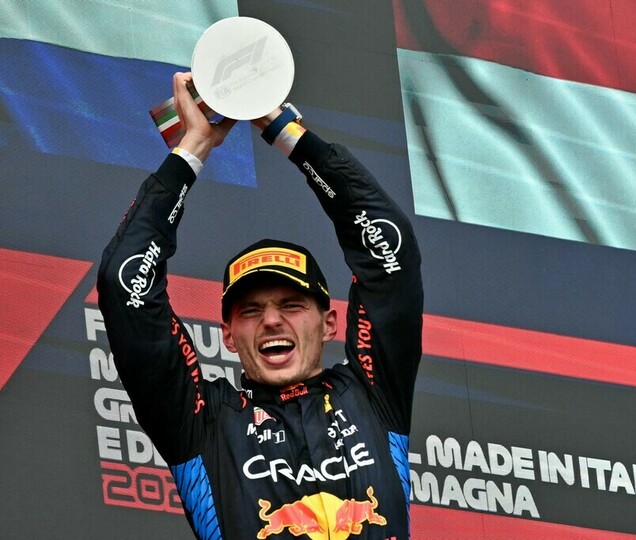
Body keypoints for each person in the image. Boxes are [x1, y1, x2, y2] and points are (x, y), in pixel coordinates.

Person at [97, 72, 423, 539]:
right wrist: (193, 148)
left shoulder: (373, 393)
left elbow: (390, 253)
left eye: (292, 304)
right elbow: (126, 283)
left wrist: (283, 128)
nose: (271, 319)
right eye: (250, 310)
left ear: (330, 323)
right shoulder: (203, 423)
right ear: (229, 335)